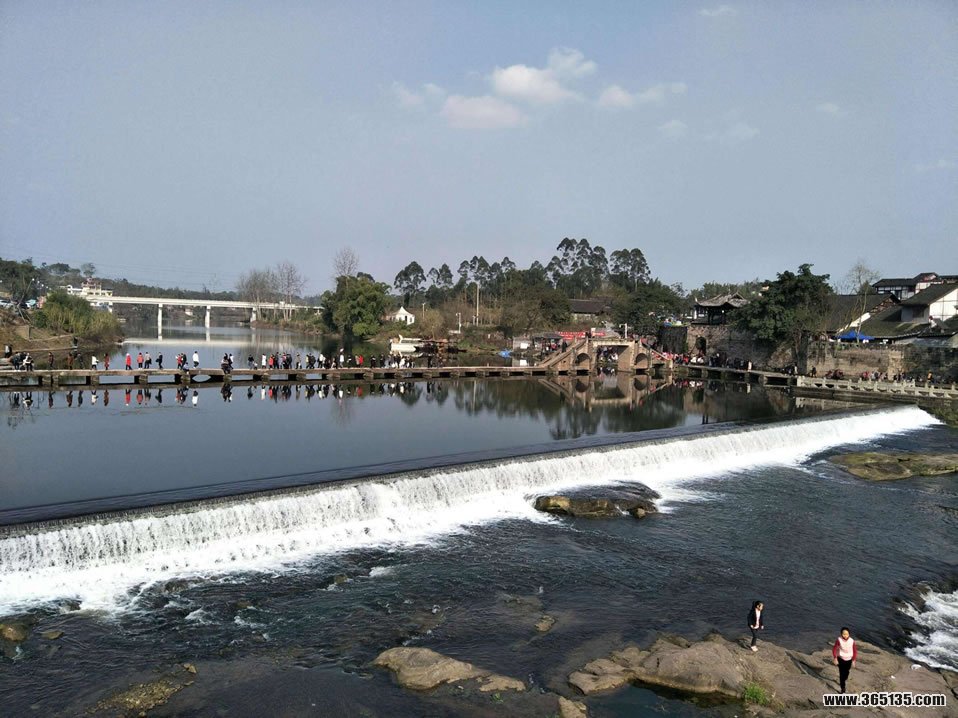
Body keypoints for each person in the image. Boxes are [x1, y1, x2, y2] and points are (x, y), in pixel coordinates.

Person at [832, 627, 857, 694]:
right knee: (842, 675)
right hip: (841, 659)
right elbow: (834, 649)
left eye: (847, 634)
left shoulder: (852, 641)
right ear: (841, 634)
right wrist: (835, 658)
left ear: (849, 634)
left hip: (849, 660)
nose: (845, 635)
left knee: (846, 672)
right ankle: (843, 689)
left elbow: (855, 651)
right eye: (844, 634)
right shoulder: (839, 640)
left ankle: (844, 679)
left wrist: (853, 660)